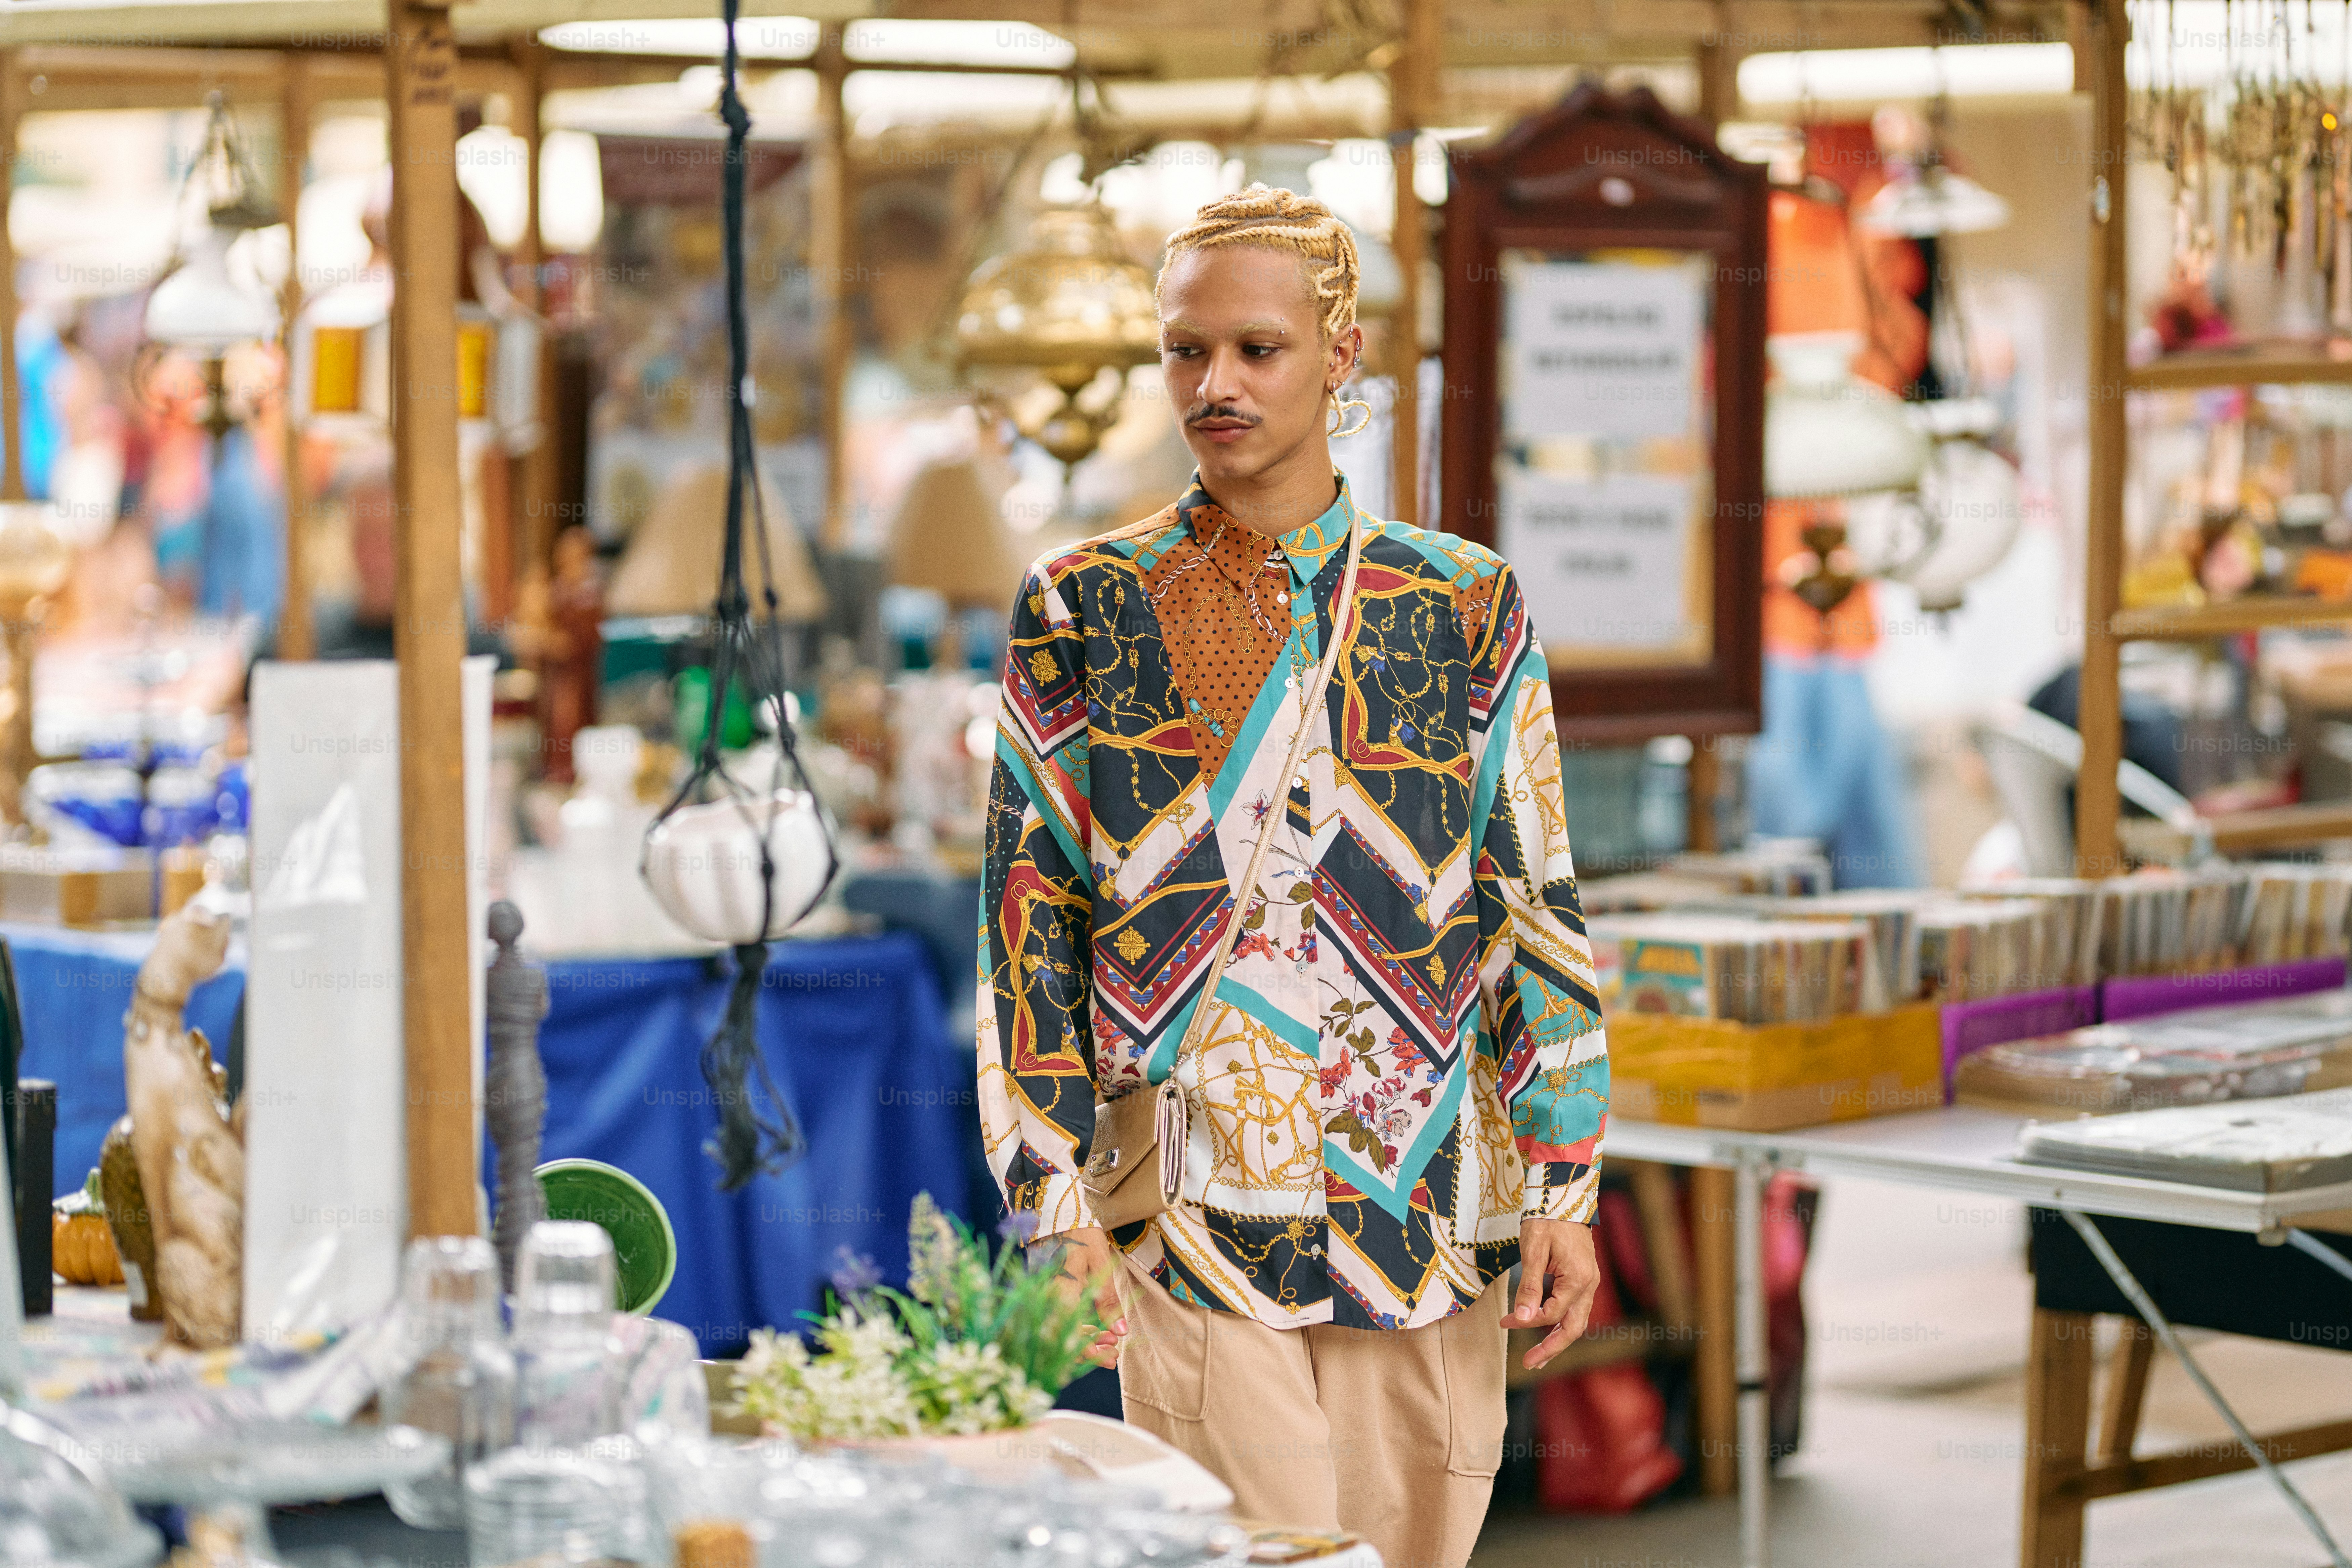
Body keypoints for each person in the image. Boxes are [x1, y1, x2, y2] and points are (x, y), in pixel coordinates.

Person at [977, 186, 1607, 1568]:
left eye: (1256, 350)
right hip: (1193, 1200)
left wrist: (1563, 1183)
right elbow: (1029, 921)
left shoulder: (1460, 604)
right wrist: (1050, 1193)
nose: (1215, 385)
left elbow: (1529, 900)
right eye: (1185, 351)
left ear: (1342, 355)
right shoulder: (1084, 606)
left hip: (1424, 1197)